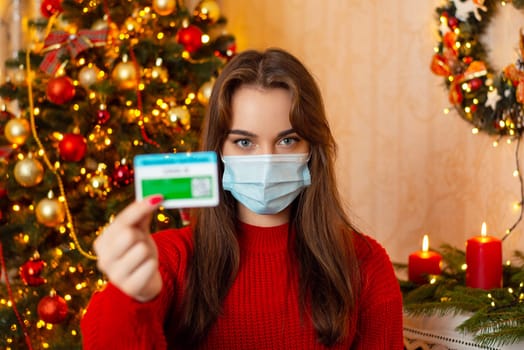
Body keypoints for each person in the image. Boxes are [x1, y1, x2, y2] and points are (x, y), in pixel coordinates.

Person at [81, 48, 403, 349]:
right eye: (245, 142)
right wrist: (131, 298)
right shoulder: (167, 260)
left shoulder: (364, 264)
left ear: (311, 150)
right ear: (219, 151)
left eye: (288, 140)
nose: (267, 159)